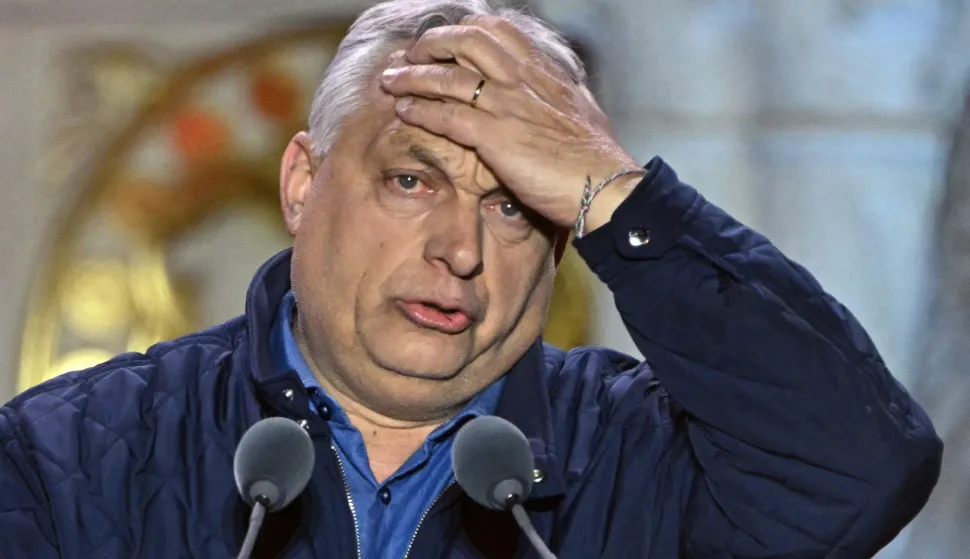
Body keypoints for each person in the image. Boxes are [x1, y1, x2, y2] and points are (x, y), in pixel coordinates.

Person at [0, 0, 943, 557]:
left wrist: (616, 192)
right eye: (412, 180)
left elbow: (859, 469)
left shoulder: (640, 454)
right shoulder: (68, 459)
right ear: (302, 183)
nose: (462, 247)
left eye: (514, 207)